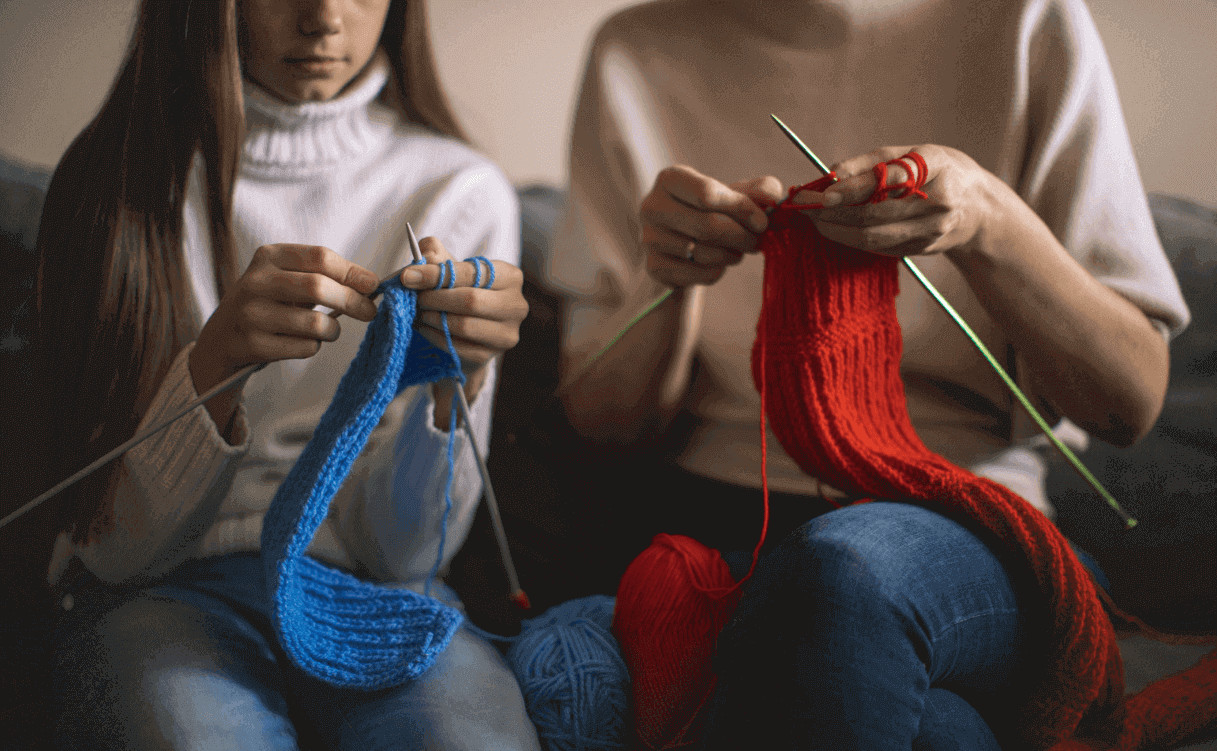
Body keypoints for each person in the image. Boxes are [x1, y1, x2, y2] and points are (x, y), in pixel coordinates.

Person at [546, 0, 1191, 747]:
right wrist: (668, 278)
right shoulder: (635, 48)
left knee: (842, 573)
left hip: (965, 524)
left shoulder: (1025, 21)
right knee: (940, 730)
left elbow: (1128, 405)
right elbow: (602, 424)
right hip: (720, 524)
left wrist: (989, 220)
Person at [34, 1, 537, 748]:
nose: (324, 17)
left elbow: (402, 554)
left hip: (371, 584)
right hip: (161, 586)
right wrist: (215, 367)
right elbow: (114, 552)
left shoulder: (461, 191)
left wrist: (452, 388)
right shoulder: (122, 182)